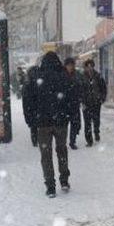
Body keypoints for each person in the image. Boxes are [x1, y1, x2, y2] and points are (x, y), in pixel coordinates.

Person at [34, 51, 72, 197]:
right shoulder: (64, 76)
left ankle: (50, 185)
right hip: (61, 121)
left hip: (43, 122)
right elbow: (72, 97)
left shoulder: (37, 76)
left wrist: (32, 120)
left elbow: (28, 98)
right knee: (62, 150)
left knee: (46, 154)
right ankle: (64, 180)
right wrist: (69, 115)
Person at [81, 59, 106, 146]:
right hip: (86, 103)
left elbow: (103, 88)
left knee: (96, 120)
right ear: (85, 67)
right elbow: (79, 90)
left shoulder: (98, 76)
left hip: (96, 102)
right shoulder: (82, 77)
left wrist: (102, 98)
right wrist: (81, 100)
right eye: (88, 66)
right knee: (87, 122)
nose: (89, 68)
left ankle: (96, 132)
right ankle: (89, 140)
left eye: (91, 66)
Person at [64, 57, 83, 150]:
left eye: (72, 65)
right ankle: (62, 141)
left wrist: (80, 97)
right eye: (69, 65)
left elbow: (81, 87)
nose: (70, 67)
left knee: (75, 124)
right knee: (63, 124)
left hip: (75, 103)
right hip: (64, 104)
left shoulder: (78, 75)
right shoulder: (61, 75)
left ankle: (72, 141)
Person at [22, 63, 40, 147]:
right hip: (39, 109)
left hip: (31, 110)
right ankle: (38, 140)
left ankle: (35, 140)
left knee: (33, 127)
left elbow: (25, 102)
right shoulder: (41, 84)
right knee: (39, 126)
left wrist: (26, 114)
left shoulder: (27, 85)